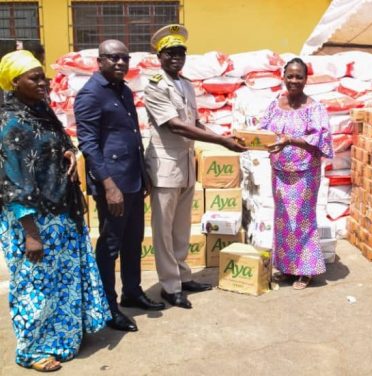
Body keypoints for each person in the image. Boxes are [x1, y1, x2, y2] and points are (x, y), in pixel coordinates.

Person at [0, 50, 110, 371]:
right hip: (30, 218)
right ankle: (32, 351)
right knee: (34, 282)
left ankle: (62, 338)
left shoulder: (40, 110)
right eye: (33, 78)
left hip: (59, 210)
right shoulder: (9, 123)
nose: (42, 82)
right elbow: (11, 182)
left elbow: (60, 140)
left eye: (42, 76)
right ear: (14, 81)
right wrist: (31, 234)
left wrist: (68, 152)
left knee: (62, 279)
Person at [144, 25, 246, 308]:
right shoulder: (154, 85)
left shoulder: (186, 84)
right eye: (170, 53)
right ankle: (169, 285)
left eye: (181, 52)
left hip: (187, 165)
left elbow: (194, 123)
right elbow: (176, 125)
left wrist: (222, 134)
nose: (176, 58)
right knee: (163, 231)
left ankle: (183, 275)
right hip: (165, 166)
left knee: (181, 228)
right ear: (160, 56)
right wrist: (223, 142)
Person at [75, 39, 165, 333]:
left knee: (133, 240)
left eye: (124, 58)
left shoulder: (123, 90)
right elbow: (88, 144)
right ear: (99, 61)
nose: (120, 63)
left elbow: (131, 137)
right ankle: (109, 307)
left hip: (133, 179)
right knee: (110, 246)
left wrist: (143, 174)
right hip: (112, 183)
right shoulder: (90, 94)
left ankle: (132, 292)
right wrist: (109, 185)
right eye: (113, 58)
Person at [259, 57, 334, 290]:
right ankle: (287, 267)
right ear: (283, 77)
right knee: (283, 220)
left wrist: (291, 140)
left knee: (302, 219)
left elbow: (321, 140)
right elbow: (264, 129)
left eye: (298, 76)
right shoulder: (275, 103)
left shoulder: (314, 108)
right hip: (279, 171)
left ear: (306, 79)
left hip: (305, 173)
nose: (294, 81)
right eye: (289, 76)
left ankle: (305, 270)